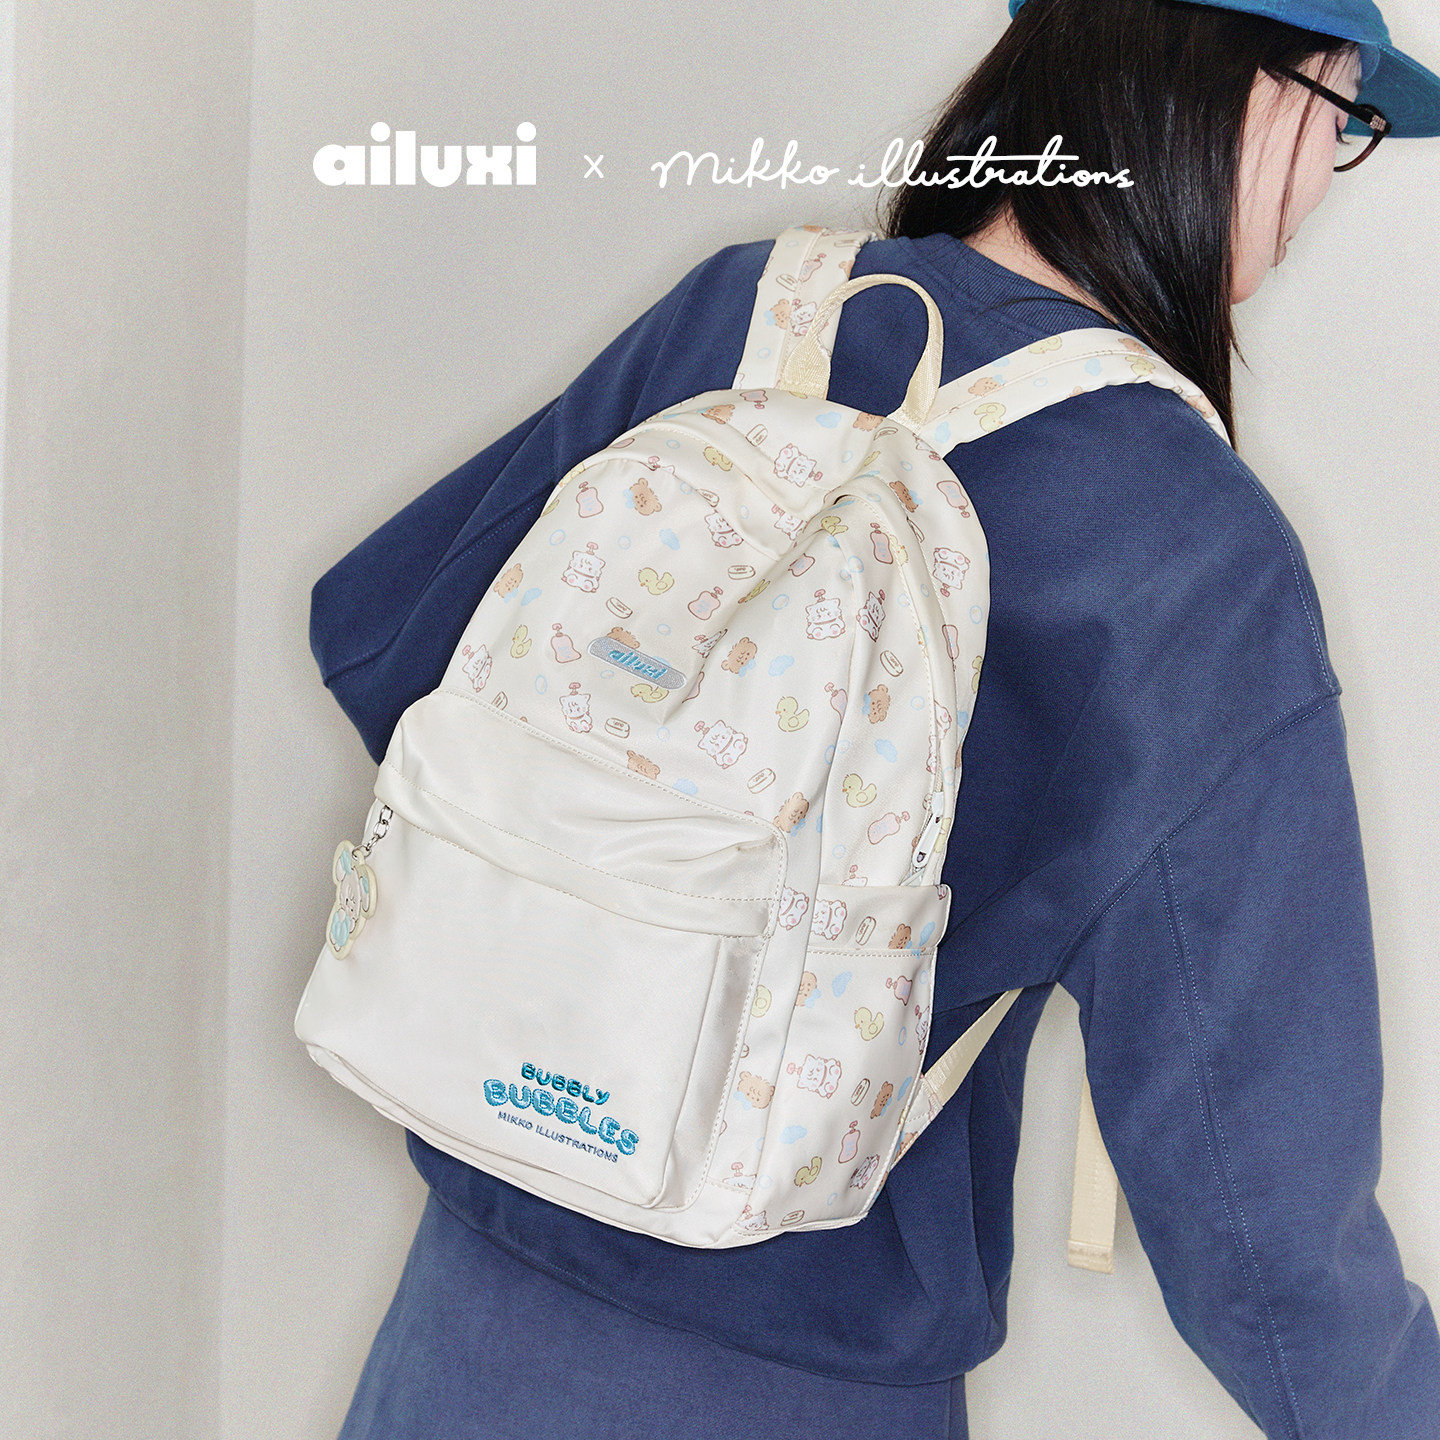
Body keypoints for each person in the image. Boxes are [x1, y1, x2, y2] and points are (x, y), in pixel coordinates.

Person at [308, 1, 1440, 1435]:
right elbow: (1259, 1208)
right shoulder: (1182, 537)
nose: (1324, 174)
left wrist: (621, 919)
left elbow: (390, 640)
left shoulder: (745, 315)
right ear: (1242, 94)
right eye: (1344, 116)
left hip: (462, 1331)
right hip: (787, 1387)